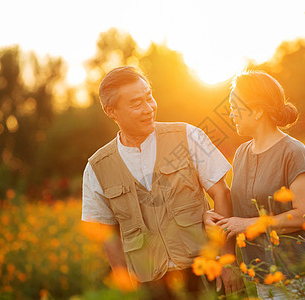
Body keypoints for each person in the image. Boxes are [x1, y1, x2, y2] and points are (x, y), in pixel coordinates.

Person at [81, 66, 243, 299]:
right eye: (136, 103)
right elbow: (107, 234)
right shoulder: (97, 167)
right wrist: (127, 288)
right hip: (150, 286)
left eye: (149, 98)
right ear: (111, 111)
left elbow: (221, 193)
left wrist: (226, 260)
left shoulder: (188, 136)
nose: (148, 109)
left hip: (205, 271)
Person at [205, 70, 305, 299]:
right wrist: (211, 216)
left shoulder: (294, 152)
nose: (231, 114)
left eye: (235, 107)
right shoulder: (241, 154)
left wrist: (247, 224)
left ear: (257, 111)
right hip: (266, 283)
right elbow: (241, 210)